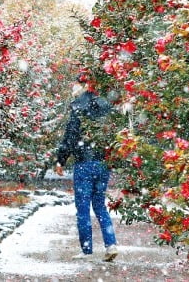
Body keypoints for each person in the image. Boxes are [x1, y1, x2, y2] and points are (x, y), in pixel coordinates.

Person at [55, 80, 118, 262]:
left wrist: (61, 160)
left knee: (83, 209)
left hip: (84, 163)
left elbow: (70, 136)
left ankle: (86, 250)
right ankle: (111, 244)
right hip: (103, 163)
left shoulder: (78, 107)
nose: (72, 88)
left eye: (75, 84)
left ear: (83, 86)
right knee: (99, 206)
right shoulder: (106, 106)